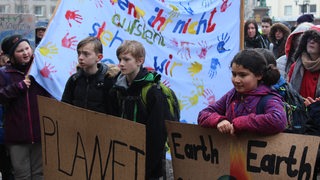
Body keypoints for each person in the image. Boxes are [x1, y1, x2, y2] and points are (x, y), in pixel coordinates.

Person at [110, 40, 167, 179]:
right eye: (120, 59)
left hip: (147, 162)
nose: (121, 64)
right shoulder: (117, 88)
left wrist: (147, 167)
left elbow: (158, 134)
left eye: (126, 59)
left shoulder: (153, 91)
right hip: (124, 155)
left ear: (139, 61)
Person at [197, 49, 287, 135]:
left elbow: (278, 120)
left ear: (259, 75)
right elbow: (203, 114)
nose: (236, 80)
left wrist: (239, 123)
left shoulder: (269, 99)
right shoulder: (232, 95)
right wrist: (219, 120)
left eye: (242, 75)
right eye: (234, 74)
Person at [0, 34, 52, 179]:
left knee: (39, 174)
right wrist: (18, 87)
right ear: (11, 55)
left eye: (27, 48)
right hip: (17, 136)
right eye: (20, 51)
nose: (25, 53)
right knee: (22, 175)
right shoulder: (4, 74)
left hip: (39, 133)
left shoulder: (39, 69)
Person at [61, 36, 118, 114]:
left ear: (99, 57)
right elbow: (64, 107)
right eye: (79, 53)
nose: (80, 57)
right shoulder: (74, 80)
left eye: (86, 54)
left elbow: (113, 112)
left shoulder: (107, 81)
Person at [288, 25, 320, 99]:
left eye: (316, 39)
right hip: (299, 109)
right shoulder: (295, 66)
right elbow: (290, 93)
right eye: (309, 38)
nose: (312, 41)